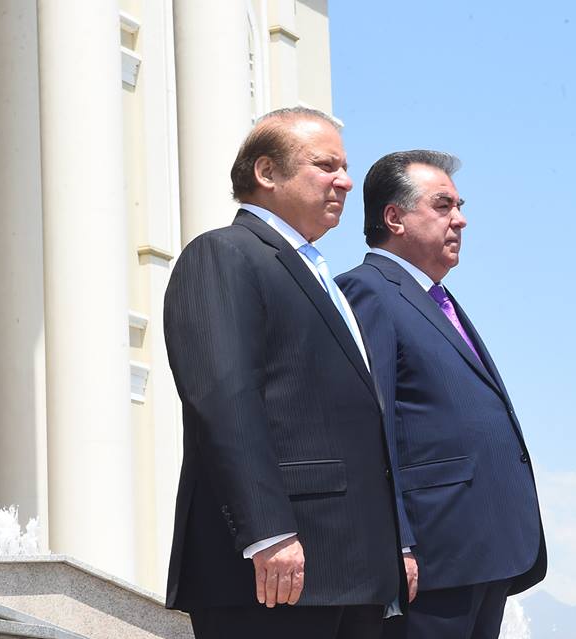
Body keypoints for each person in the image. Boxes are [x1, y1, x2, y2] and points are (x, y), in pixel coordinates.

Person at [163, 107, 403, 639]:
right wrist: (267, 532)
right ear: (267, 172)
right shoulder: (223, 254)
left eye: (345, 167)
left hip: (352, 571)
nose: (345, 181)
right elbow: (224, 399)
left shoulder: (316, 274)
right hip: (274, 569)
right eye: (326, 165)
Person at [336, 150, 546, 639]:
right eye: (443, 205)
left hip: (483, 552)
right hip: (432, 557)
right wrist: (398, 540)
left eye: (459, 205)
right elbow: (369, 426)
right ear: (395, 218)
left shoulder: (437, 299)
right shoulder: (367, 291)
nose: (461, 219)